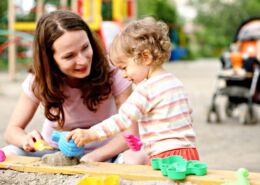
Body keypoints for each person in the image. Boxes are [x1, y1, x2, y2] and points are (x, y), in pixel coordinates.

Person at [3, 10, 145, 164]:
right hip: (54, 152)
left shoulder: (114, 70)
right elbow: (12, 131)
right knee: (9, 152)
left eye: (85, 48)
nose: (83, 61)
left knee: (139, 156)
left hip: (106, 152)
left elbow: (131, 134)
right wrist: (26, 140)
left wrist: (93, 157)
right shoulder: (38, 80)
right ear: (50, 60)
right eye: (69, 56)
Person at [66, 17, 200, 164]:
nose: (124, 74)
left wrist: (91, 133)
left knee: (128, 161)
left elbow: (122, 120)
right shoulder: (175, 82)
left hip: (164, 156)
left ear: (146, 57)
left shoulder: (146, 88)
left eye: (124, 67)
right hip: (189, 154)